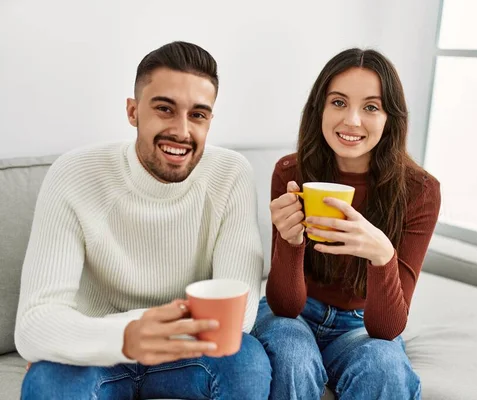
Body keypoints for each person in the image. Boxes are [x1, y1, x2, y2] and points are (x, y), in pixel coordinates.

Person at [15, 41, 271, 399]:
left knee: (247, 361)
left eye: (198, 114)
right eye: (165, 109)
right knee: (46, 381)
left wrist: (90, 334)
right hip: (99, 352)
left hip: (186, 352)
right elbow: (33, 324)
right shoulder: (73, 174)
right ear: (133, 111)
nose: (182, 131)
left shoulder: (230, 175)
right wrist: (125, 337)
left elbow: (237, 317)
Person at [252, 48, 441, 400]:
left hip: (362, 325)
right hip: (297, 314)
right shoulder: (291, 172)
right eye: (338, 102)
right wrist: (291, 242)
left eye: (371, 107)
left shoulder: (421, 191)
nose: (352, 120)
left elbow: (386, 329)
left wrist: (383, 256)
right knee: (292, 358)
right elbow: (285, 305)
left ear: (390, 118)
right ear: (319, 109)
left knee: (385, 369)